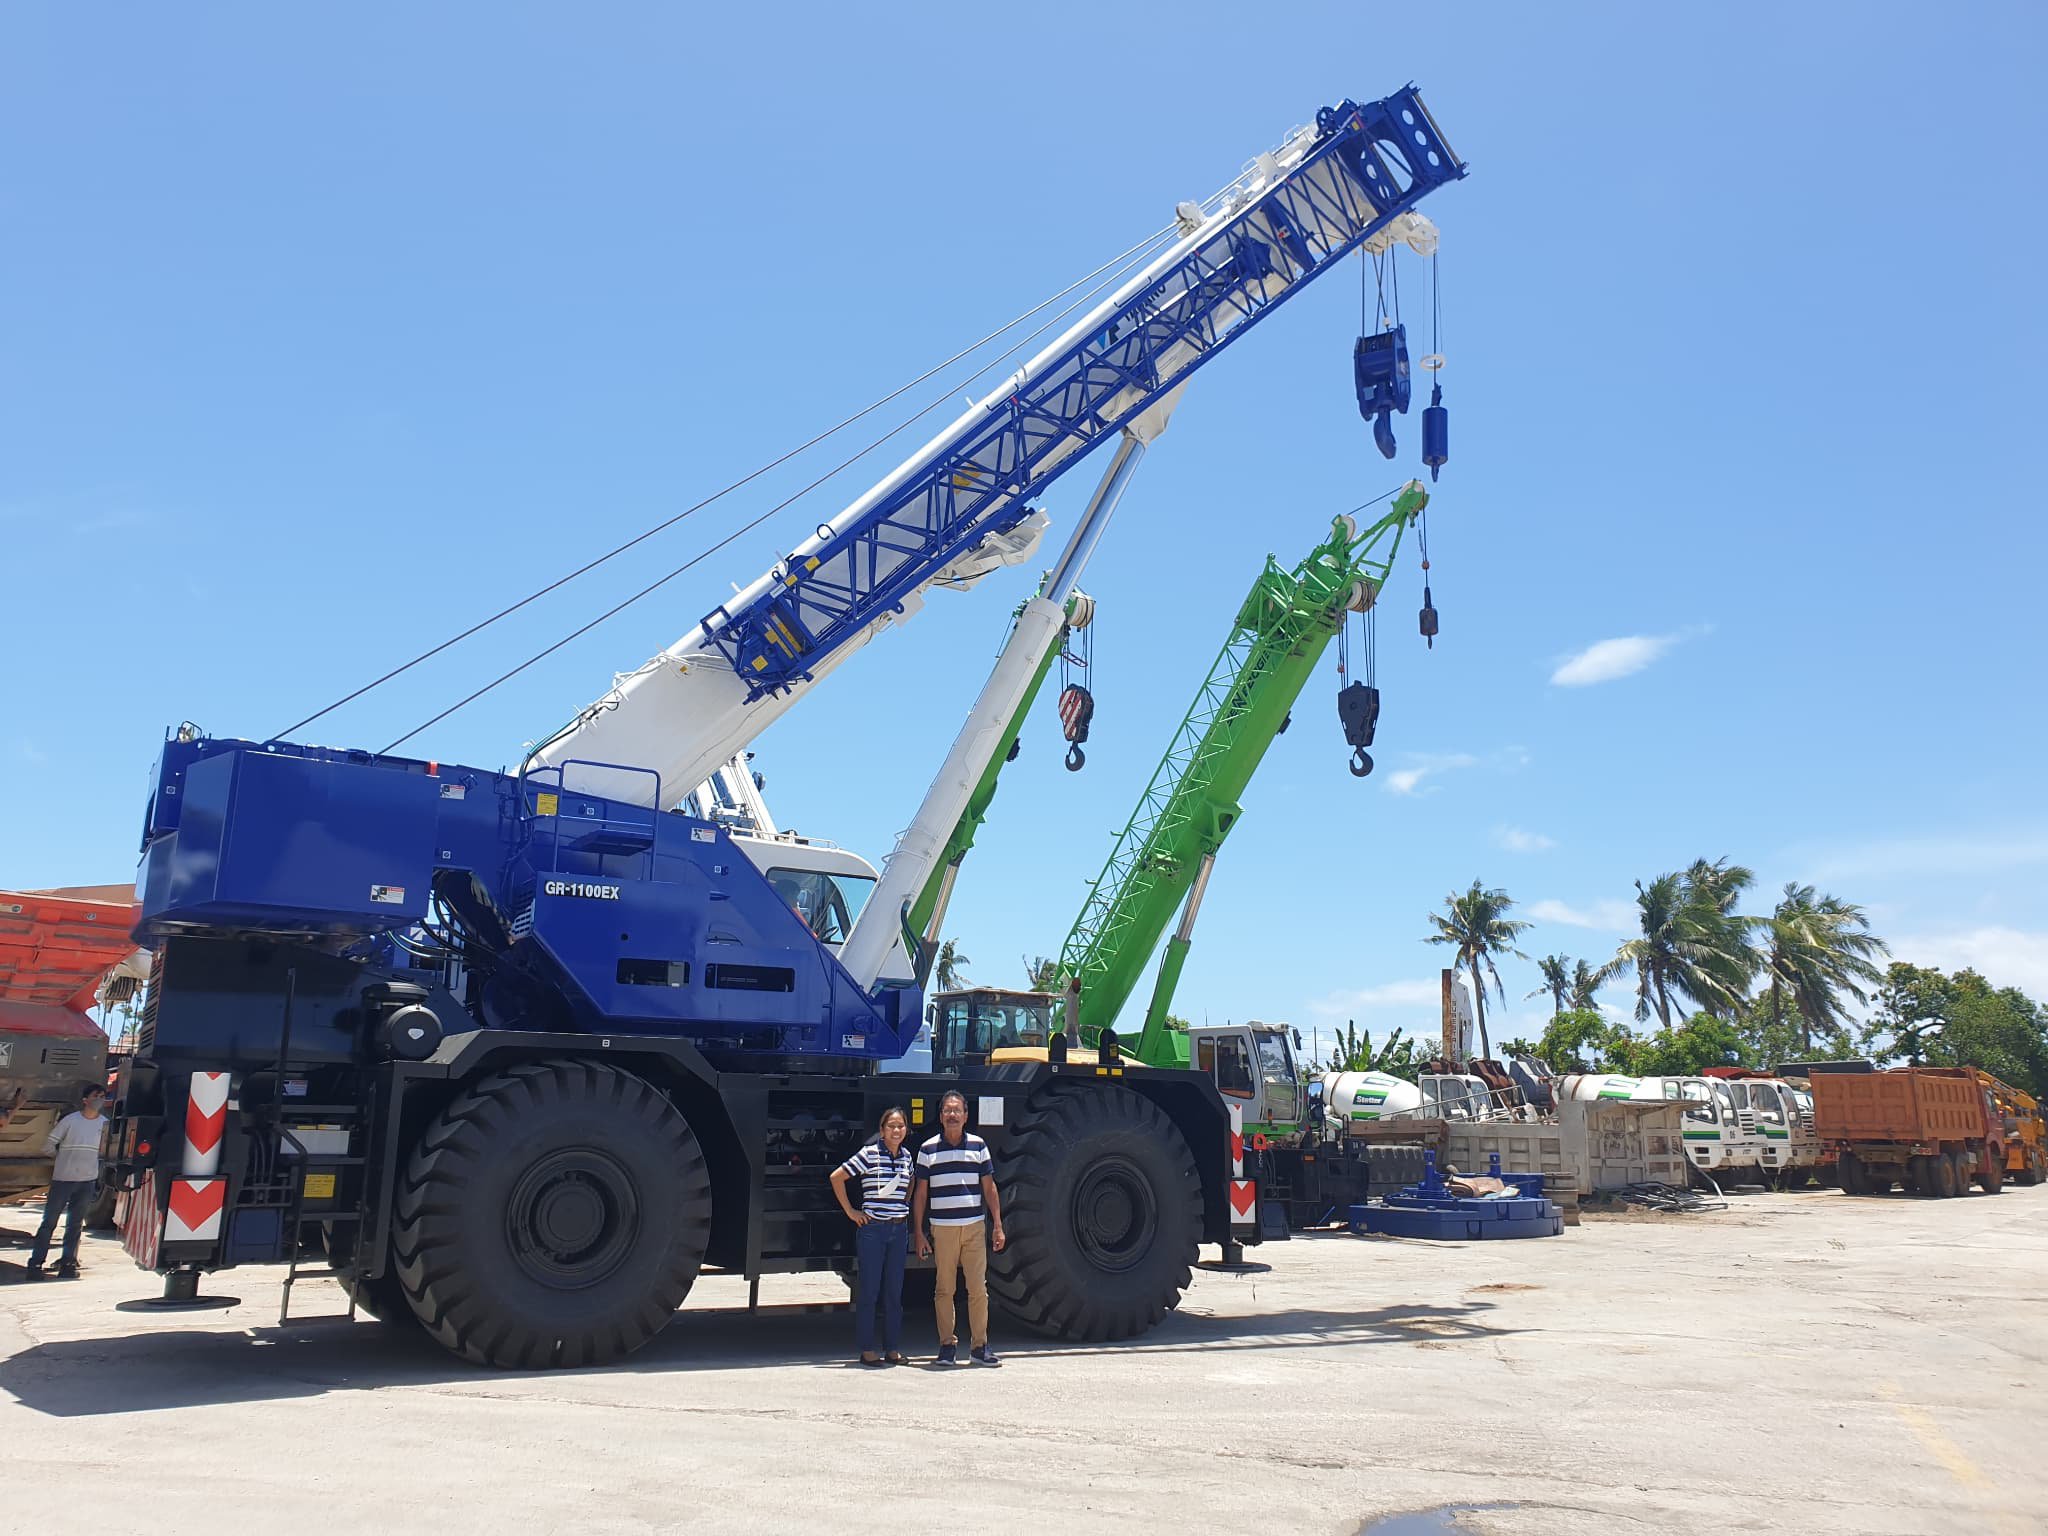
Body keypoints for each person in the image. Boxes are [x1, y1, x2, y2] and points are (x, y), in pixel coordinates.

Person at [913, 1089, 1005, 1366]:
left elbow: (989, 1189)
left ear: (966, 1115)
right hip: (943, 1229)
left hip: (974, 1227)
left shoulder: (978, 1146)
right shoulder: (927, 1149)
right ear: (940, 1116)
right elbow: (920, 1194)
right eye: (947, 1110)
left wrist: (998, 1226)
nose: (952, 1115)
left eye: (957, 1110)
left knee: (978, 1289)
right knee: (945, 1289)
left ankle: (980, 1347)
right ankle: (946, 1347)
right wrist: (918, 1233)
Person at [829, 1105, 914, 1367]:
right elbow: (837, 1177)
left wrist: (903, 1206)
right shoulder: (868, 1154)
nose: (896, 1130)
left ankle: (892, 1348)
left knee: (894, 1292)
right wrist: (852, 1212)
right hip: (873, 1230)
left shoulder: (907, 1157)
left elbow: (911, 1181)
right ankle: (867, 1350)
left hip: (898, 1230)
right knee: (869, 1291)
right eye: (891, 1126)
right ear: (882, 1130)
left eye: (900, 1126)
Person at [28, 1082, 109, 1280]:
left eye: (102, 1096)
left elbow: (106, 1150)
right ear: (85, 1100)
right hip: (63, 1180)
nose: (99, 1099)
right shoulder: (70, 1121)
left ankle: (68, 1263)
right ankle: (36, 1264)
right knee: (49, 1223)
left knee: (75, 1225)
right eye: (96, 1095)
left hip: (87, 1181)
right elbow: (49, 1145)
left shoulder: (104, 1124)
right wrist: (61, 1160)